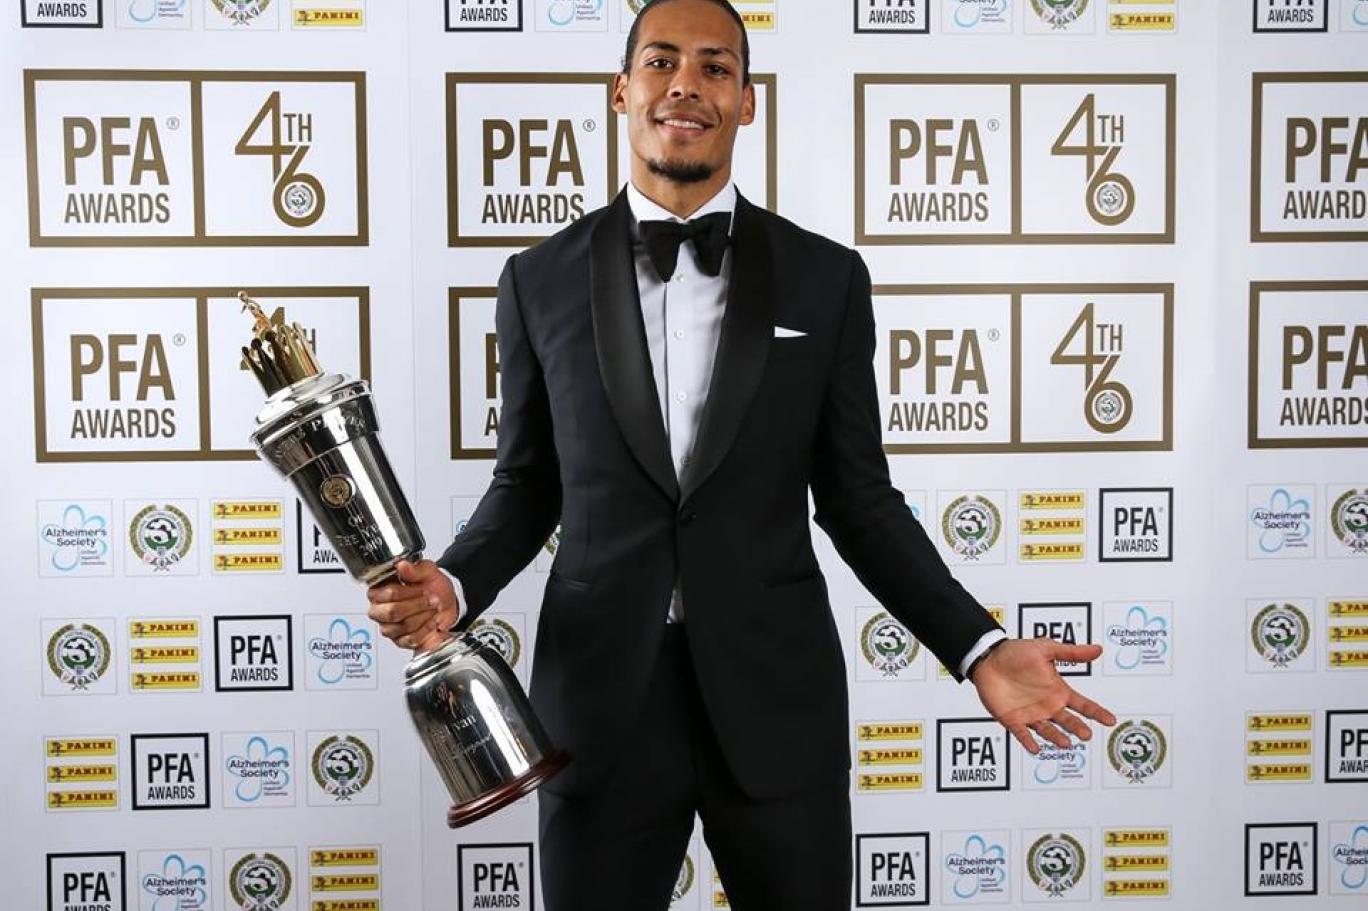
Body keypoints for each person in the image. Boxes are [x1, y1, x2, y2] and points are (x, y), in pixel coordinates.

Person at [368, 1, 1115, 907]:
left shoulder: (827, 278)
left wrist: (978, 646)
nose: (686, 84)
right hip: (599, 707)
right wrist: (453, 584)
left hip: (778, 704)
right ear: (621, 91)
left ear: (747, 102)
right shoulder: (536, 279)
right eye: (661, 61)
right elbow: (527, 484)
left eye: (716, 67)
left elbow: (860, 500)